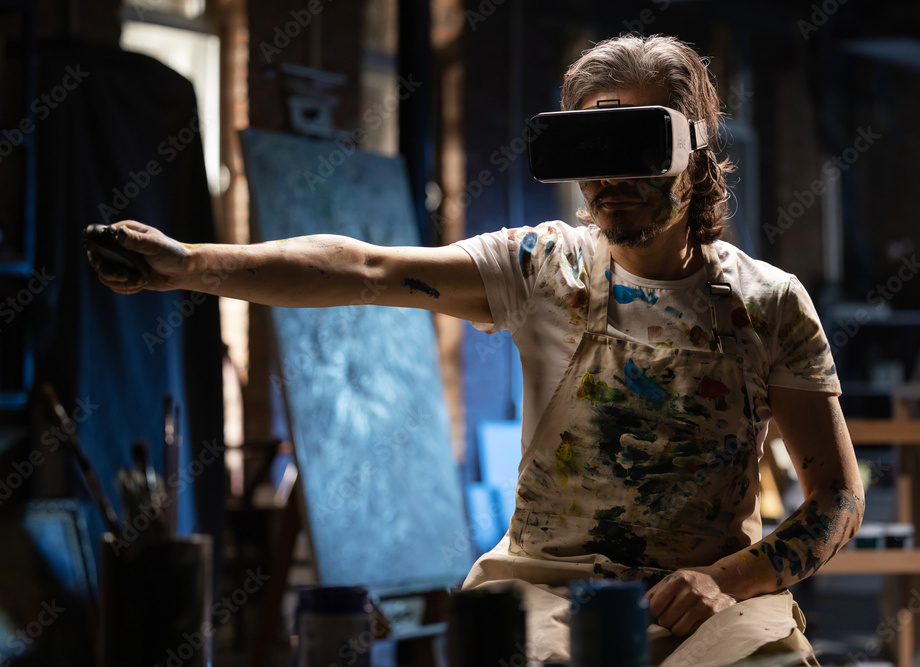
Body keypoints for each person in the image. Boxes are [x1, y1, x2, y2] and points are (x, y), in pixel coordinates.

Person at [89, 34, 863, 666]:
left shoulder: (769, 304)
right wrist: (190, 264)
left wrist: (727, 578)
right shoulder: (545, 267)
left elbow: (838, 498)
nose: (611, 176)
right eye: (588, 145)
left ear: (696, 152)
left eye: (637, 142)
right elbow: (367, 268)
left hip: (712, 604)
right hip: (546, 589)